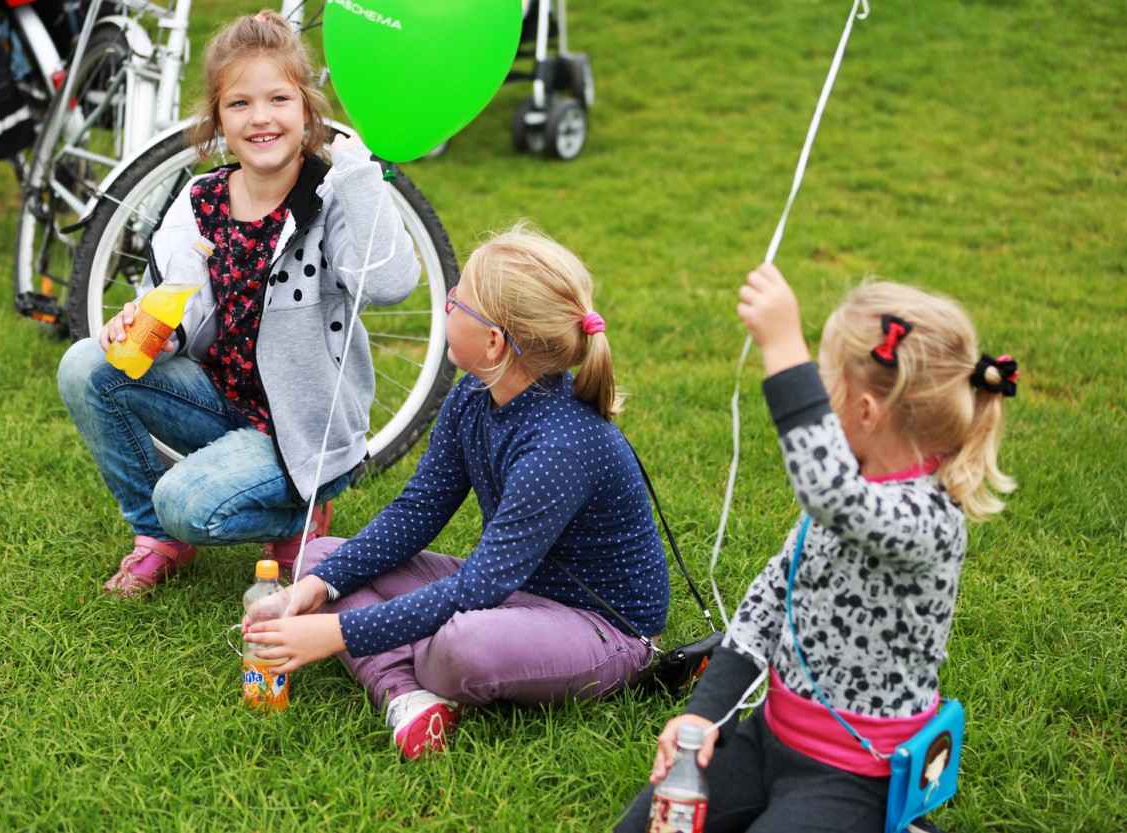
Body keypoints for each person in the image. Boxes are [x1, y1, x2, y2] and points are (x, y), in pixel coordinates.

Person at [614, 264, 1018, 832]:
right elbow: (765, 605)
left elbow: (832, 493)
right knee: (649, 824)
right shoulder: (848, 494)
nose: (817, 394)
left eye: (823, 380)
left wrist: (783, 346)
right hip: (768, 739)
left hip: (855, 774)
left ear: (866, 412)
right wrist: (706, 716)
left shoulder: (927, 518)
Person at [242, 226, 671, 759]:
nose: (446, 305)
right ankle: (409, 698)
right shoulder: (475, 392)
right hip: (510, 593)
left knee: (459, 648)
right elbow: (418, 512)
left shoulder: (559, 446)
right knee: (320, 561)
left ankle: (405, 672)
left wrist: (337, 633)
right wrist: (316, 589)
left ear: (493, 342)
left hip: (599, 627)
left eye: (456, 300)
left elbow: (479, 587)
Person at [57, 11, 419, 598]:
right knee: (84, 365)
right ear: (217, 117)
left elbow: (390, 283)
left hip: (299, 430)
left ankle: (298, 521)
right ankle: (159, 538)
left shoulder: (332, 198)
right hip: (221, 399)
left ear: (307, 108)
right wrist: (144, 328)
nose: (260, 118)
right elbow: (180, 308)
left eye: (278, 99)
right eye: (239, 103)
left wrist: (360, 174)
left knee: (184, 502)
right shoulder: (200, 199)